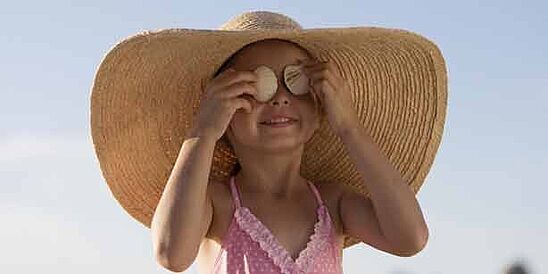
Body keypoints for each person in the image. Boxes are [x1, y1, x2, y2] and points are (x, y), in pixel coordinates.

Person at [89, 10, 448, 274]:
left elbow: (410, 239)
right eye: (256, 85)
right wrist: (203, 132)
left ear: (321, 106)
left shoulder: (333, 203)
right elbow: (171, 253)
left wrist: (350, 127)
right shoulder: (218, 203)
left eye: (296, 81)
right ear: (223, 112)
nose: (279, 98)